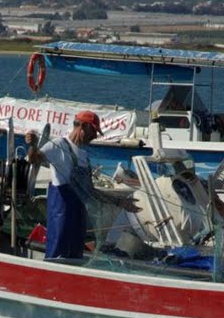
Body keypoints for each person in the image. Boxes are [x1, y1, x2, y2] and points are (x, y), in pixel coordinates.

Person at [25, 110, 139, 260]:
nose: (95, 136)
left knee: (75, 259)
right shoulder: (58, 145)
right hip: (62, 217)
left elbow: (91, 192)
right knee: (56, 257)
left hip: (79, 219)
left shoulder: (84, 156)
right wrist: (32, 145)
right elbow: (34, 160)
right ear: (83, 126)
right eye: (93, 131)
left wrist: (120, 202)